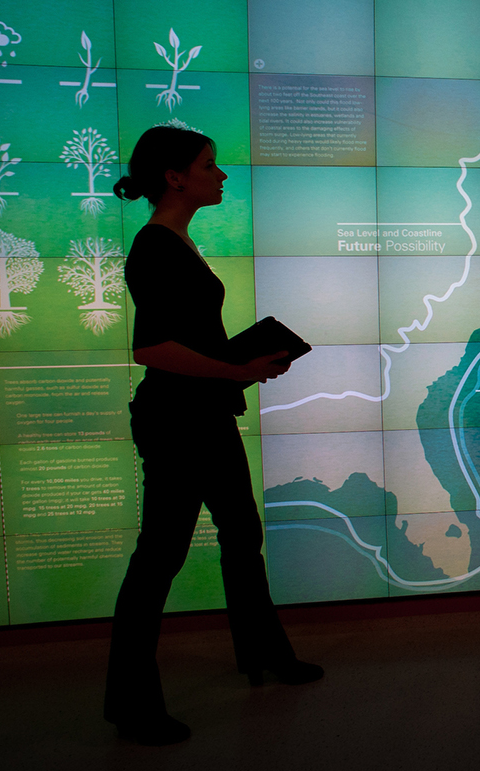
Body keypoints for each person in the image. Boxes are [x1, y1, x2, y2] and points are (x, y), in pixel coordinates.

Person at [104, 126, 322, 746]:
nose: (220, 175)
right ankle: (131, 702)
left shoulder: (177, 242)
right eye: (209, 165)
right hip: (176, 422)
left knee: (242, 535)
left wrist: (243, 361)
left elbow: (187, 340)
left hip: (201, 414)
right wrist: (238, 368)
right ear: (175, 177)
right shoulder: (155, 247)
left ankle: (263, 654)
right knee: (159, 559)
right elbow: (152, 348)